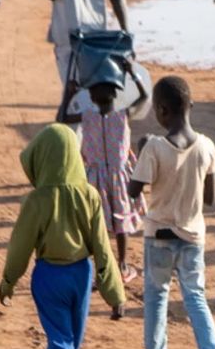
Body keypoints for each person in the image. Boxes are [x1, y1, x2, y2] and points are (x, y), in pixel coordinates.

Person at [0, 125, 124, 349]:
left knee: (60, 345)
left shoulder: (37, 200)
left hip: (49, 277)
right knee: (66, 345)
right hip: (81, 277)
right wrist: (115, 294)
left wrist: (9, 281)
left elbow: (20, 247)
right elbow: (102, 247)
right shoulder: (90, 194)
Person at [128, 76, 215, 349]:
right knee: (196, 298)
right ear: (189, 106)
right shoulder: (206, 146)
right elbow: (211, 198)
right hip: (192, 236)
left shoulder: (155, 147)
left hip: (158, 236)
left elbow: (134, 191)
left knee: (156, 297)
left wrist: (142, 149)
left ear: (160, 111)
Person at [58, 58, 149, 282]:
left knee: (95, 225)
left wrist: (69, 94)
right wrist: (132, 74)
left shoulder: (87, 117)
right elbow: (145, 97)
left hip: (94, 179)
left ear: (90, 97)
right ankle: (122, 263)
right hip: (120, 178)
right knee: (122, 223)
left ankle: (101, 267)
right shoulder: (123, 115)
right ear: (116, 95)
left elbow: (62, 118)